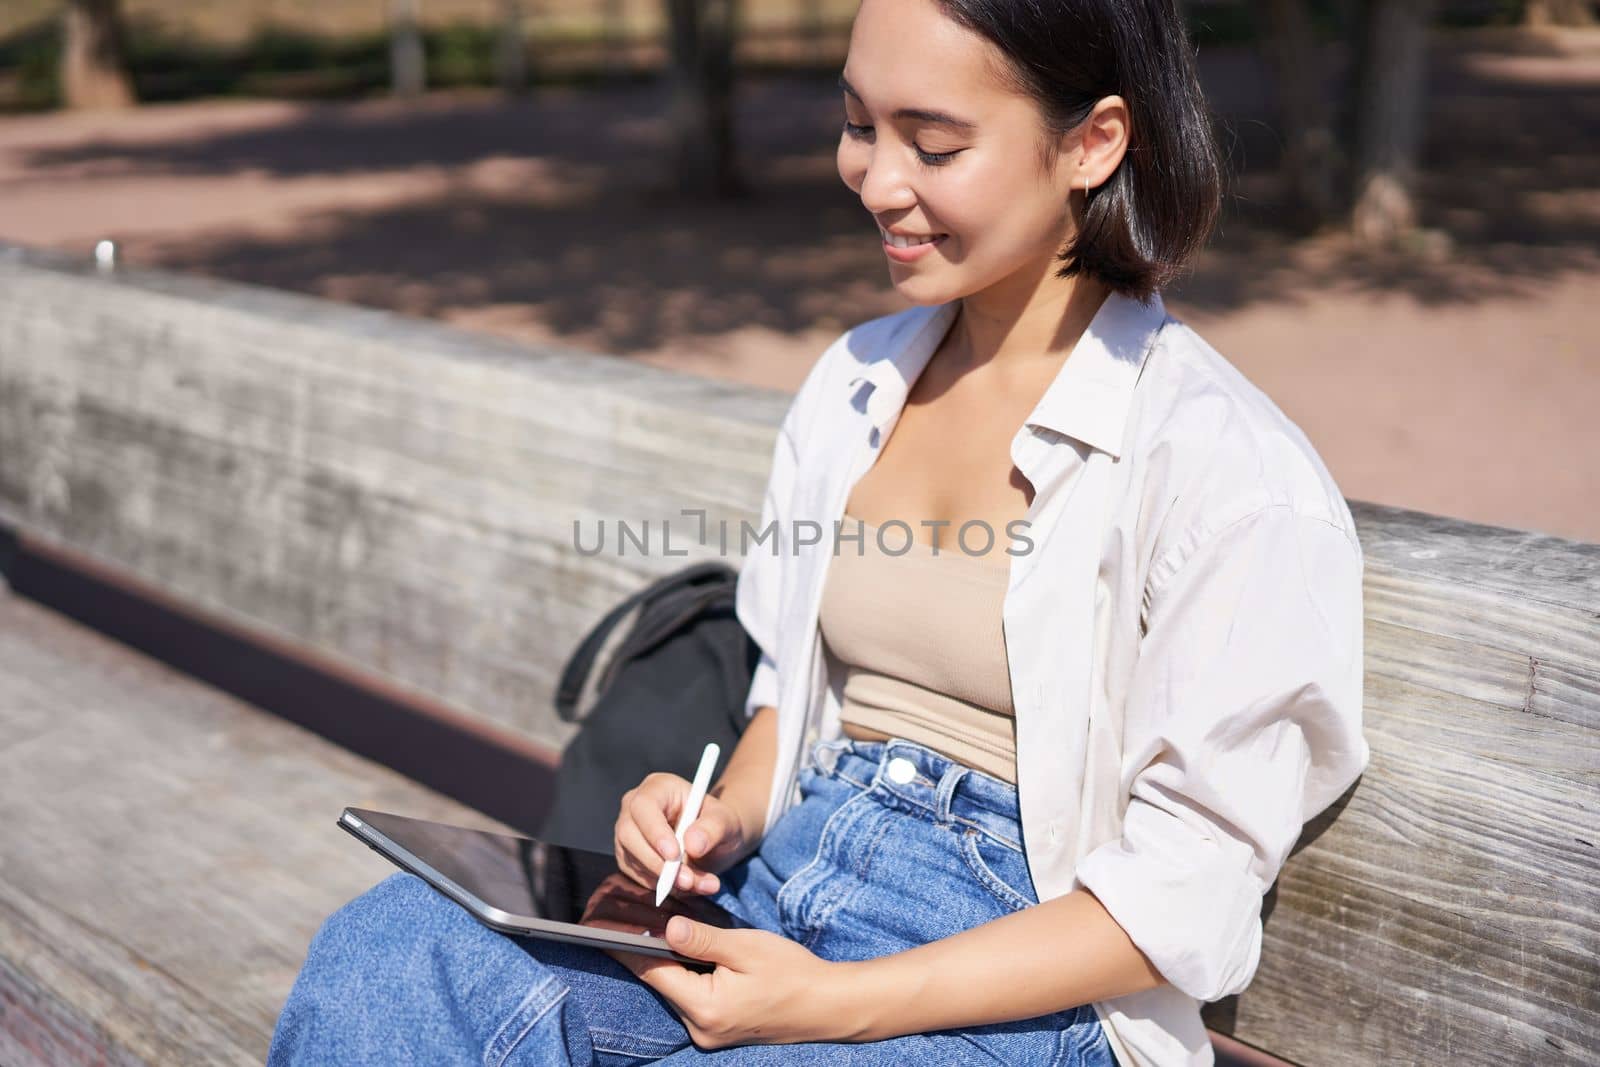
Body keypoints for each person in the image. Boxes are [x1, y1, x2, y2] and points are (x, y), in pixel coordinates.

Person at [267, 0, 1370, 1064]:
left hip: (1023, 986)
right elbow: (789, 700)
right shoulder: (856, 382)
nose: (875, 180)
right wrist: (714, 815)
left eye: (932, 145)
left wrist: (834, 1003)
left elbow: (1180, 894)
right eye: (857, 125)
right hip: (783, 882)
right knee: (392, 951)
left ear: (1093, 142)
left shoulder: (1223, 471)